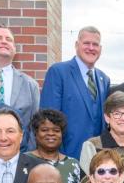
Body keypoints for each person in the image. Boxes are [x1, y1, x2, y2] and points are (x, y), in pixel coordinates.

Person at [39, 26, 110, 159]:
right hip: (66, 157)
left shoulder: (104, 79)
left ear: (100, 49)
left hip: (97, 160)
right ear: (77, 45)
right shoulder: (59, 72)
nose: (91, 48)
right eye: (86, 43)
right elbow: (48, 120)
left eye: (95, 44)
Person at [26, 109, 84, 183]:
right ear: (35, 133)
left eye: (56, 130)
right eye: (44, 130)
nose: (51, 133)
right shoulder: (24, 161)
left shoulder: (73, 164)